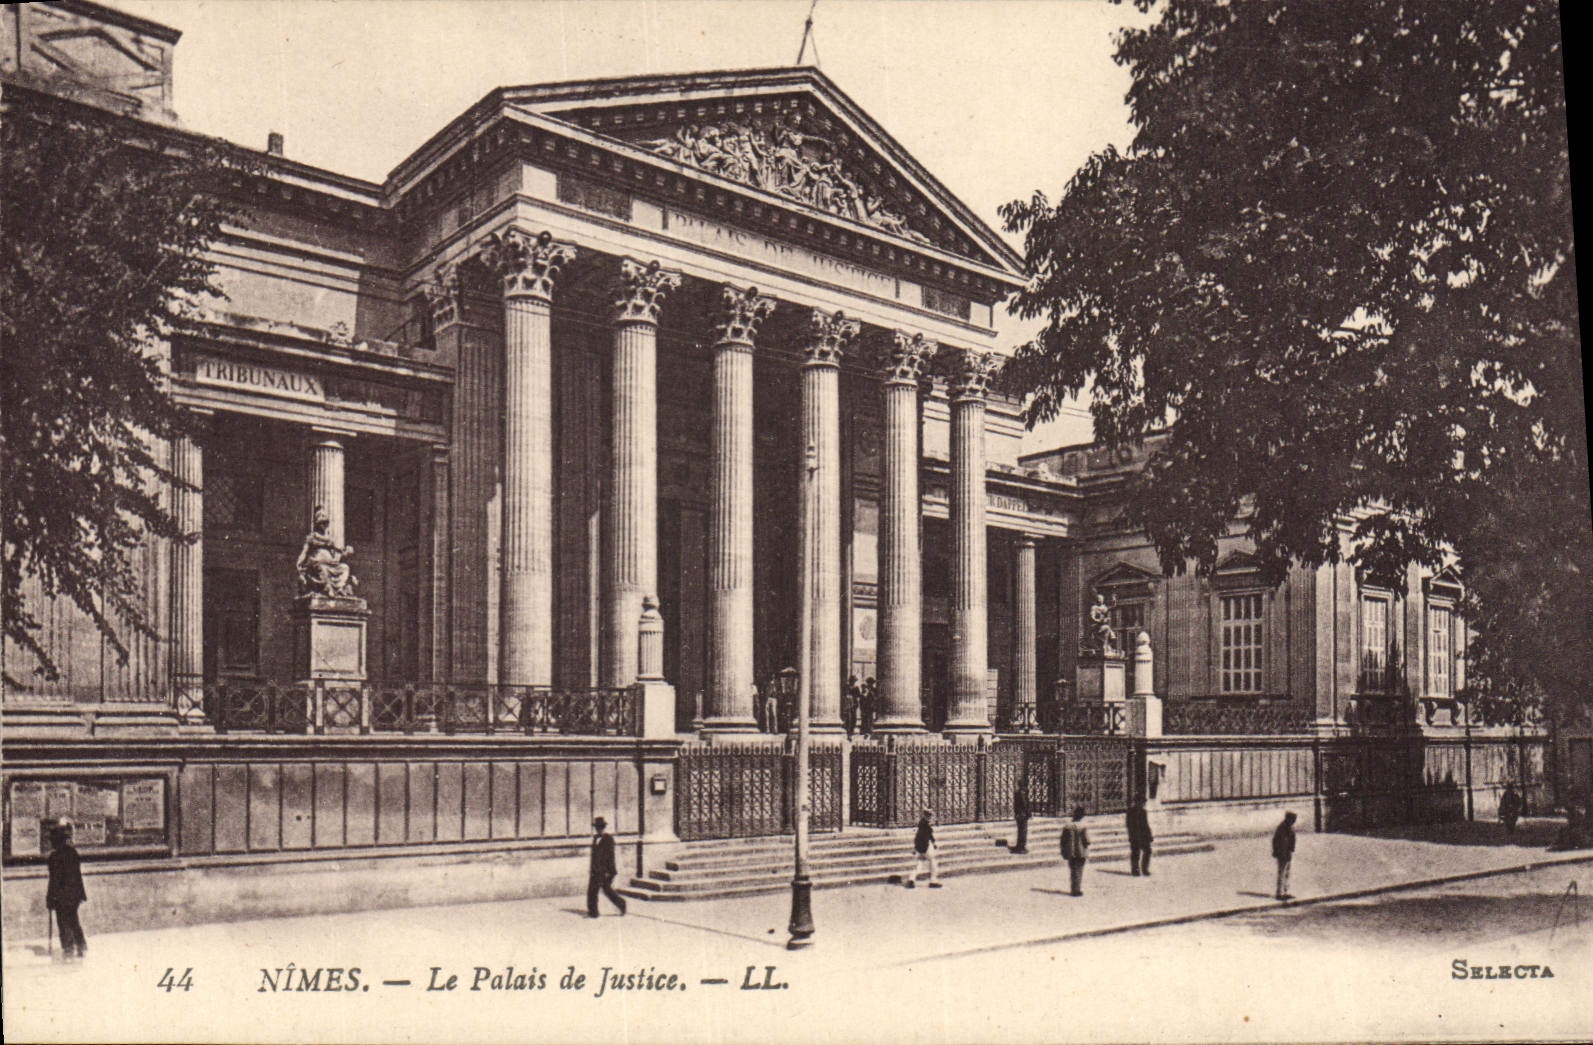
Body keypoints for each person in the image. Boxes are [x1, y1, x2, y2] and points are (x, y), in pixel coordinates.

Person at [46, 823, 87, 958]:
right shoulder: (73, 852)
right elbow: (77, 876)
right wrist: (81, 894)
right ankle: (81, 944)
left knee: (63, 921)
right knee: (73, 919)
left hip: (62, 895)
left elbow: (54, 881)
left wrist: (50, 899)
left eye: (52, 840)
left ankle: (68, 947)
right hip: (74, 894)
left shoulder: (54, 857)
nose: (51, 843)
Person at [586, 817, 626, 918]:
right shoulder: (595, 838)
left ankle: (622, 904)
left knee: (606, 890)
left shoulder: (608, 839)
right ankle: (593, 912)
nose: (598, 829)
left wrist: (610, 871)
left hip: (605, 871)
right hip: (595, 870)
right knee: (592, 891)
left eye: (600, 827)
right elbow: (594, 856)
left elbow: (611, 856)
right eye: (596, 827)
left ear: (603, 828)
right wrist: (591, 869)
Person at [1059, 806, 1090, 896]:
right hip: (1080, 852)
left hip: (1071, 852)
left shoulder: (1067, 826)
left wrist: (1064, 850)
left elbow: (1063, 840)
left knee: (1073, 870)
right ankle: (1077, 889)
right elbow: (1087, 840)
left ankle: (1073, 888)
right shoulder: (1083, 827)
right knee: (1079, 870)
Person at [908, 809, 941, 888]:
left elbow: (927, 836)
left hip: (921, 847)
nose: (931, 818)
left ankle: (911, 879)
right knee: (933, 863)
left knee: (919, 864)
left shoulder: (924, 824)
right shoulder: (925, 825)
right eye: (930, 816)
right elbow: (925, 838)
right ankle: (933, 881)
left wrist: (933, 843)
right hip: (925, 847)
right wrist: (924, 850)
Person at [1273, 810, 1298, 900]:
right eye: (1293, 820)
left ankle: (1285, 891)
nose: (1294, 822)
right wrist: (1278, 852)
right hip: (1282, 854)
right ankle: (1279, 893)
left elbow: (1293, 840)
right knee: (1282, 873)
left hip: (1287, 854)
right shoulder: (1282, 828)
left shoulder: (1290, 828)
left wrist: (1291, 850)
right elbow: (1276, 841)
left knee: (1287, 873)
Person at [1126, 799, 1154, 876]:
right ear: (1136, 802)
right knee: (1135, 853)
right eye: (1141, 802)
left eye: (1143, 803)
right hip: (1135, 836)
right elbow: (1129, 825)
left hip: (1143, 836)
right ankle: (1135, 870)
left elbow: (1146, 824)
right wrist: (1131, 836)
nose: (1143, 804)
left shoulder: (1143, 812)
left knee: (1148, 851)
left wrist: (1149, 835)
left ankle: (1145, 869)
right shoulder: (1130, 812)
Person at [1012, 779, 1031, 854]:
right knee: (1023, 831)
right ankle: (1022, 847)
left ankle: (1019, 846)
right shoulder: (1022, 793)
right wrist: (1028, 813)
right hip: (1023, 815)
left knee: (1020, 831)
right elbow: (1024, 804)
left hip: (1019, 815)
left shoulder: (1017, 793)